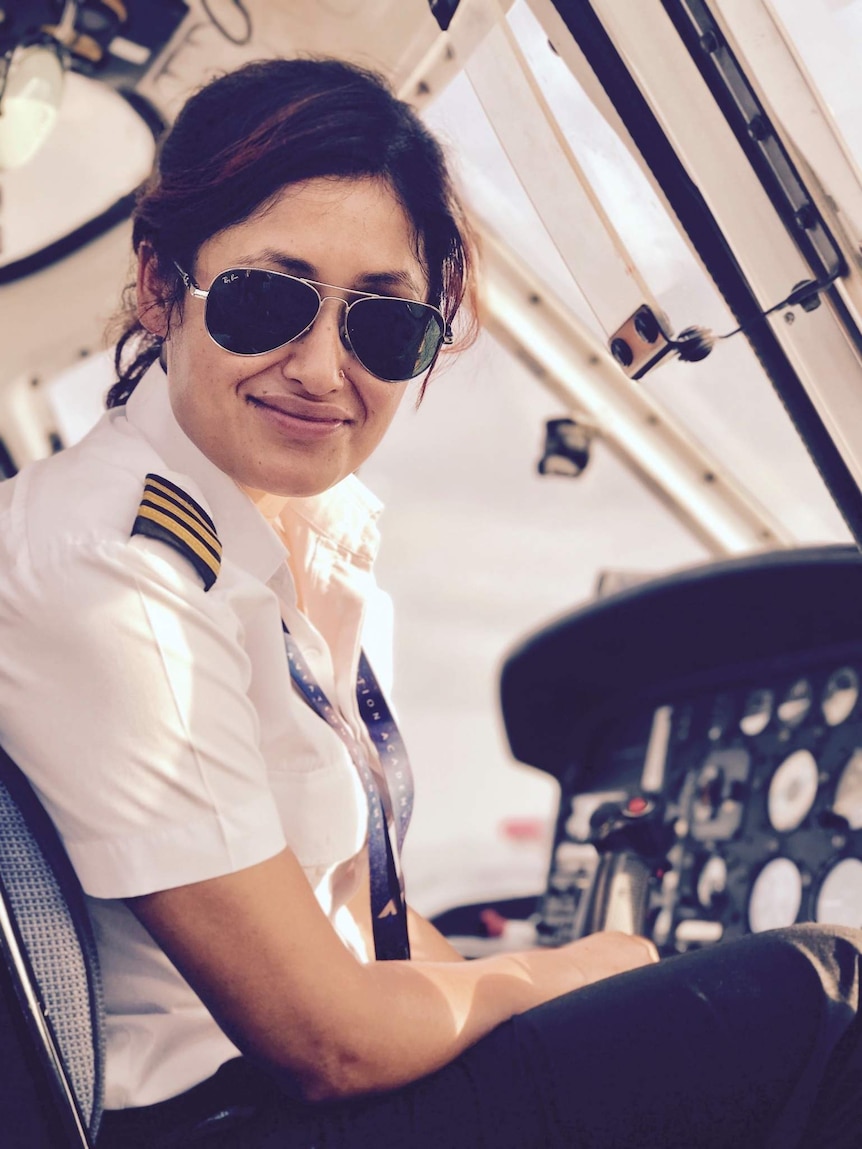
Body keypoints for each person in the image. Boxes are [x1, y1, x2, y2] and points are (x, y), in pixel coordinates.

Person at [0, 55, 860, 1149]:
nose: (320, 368)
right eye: (271, 299)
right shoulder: (112, 570)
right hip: (212, 1118)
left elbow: (367, 922)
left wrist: (537, 982)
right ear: (164, 289)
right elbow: (329, 1039)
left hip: (276, 1087)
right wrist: (566, 973)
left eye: (382, 325)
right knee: (818, 995)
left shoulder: (298, 534)